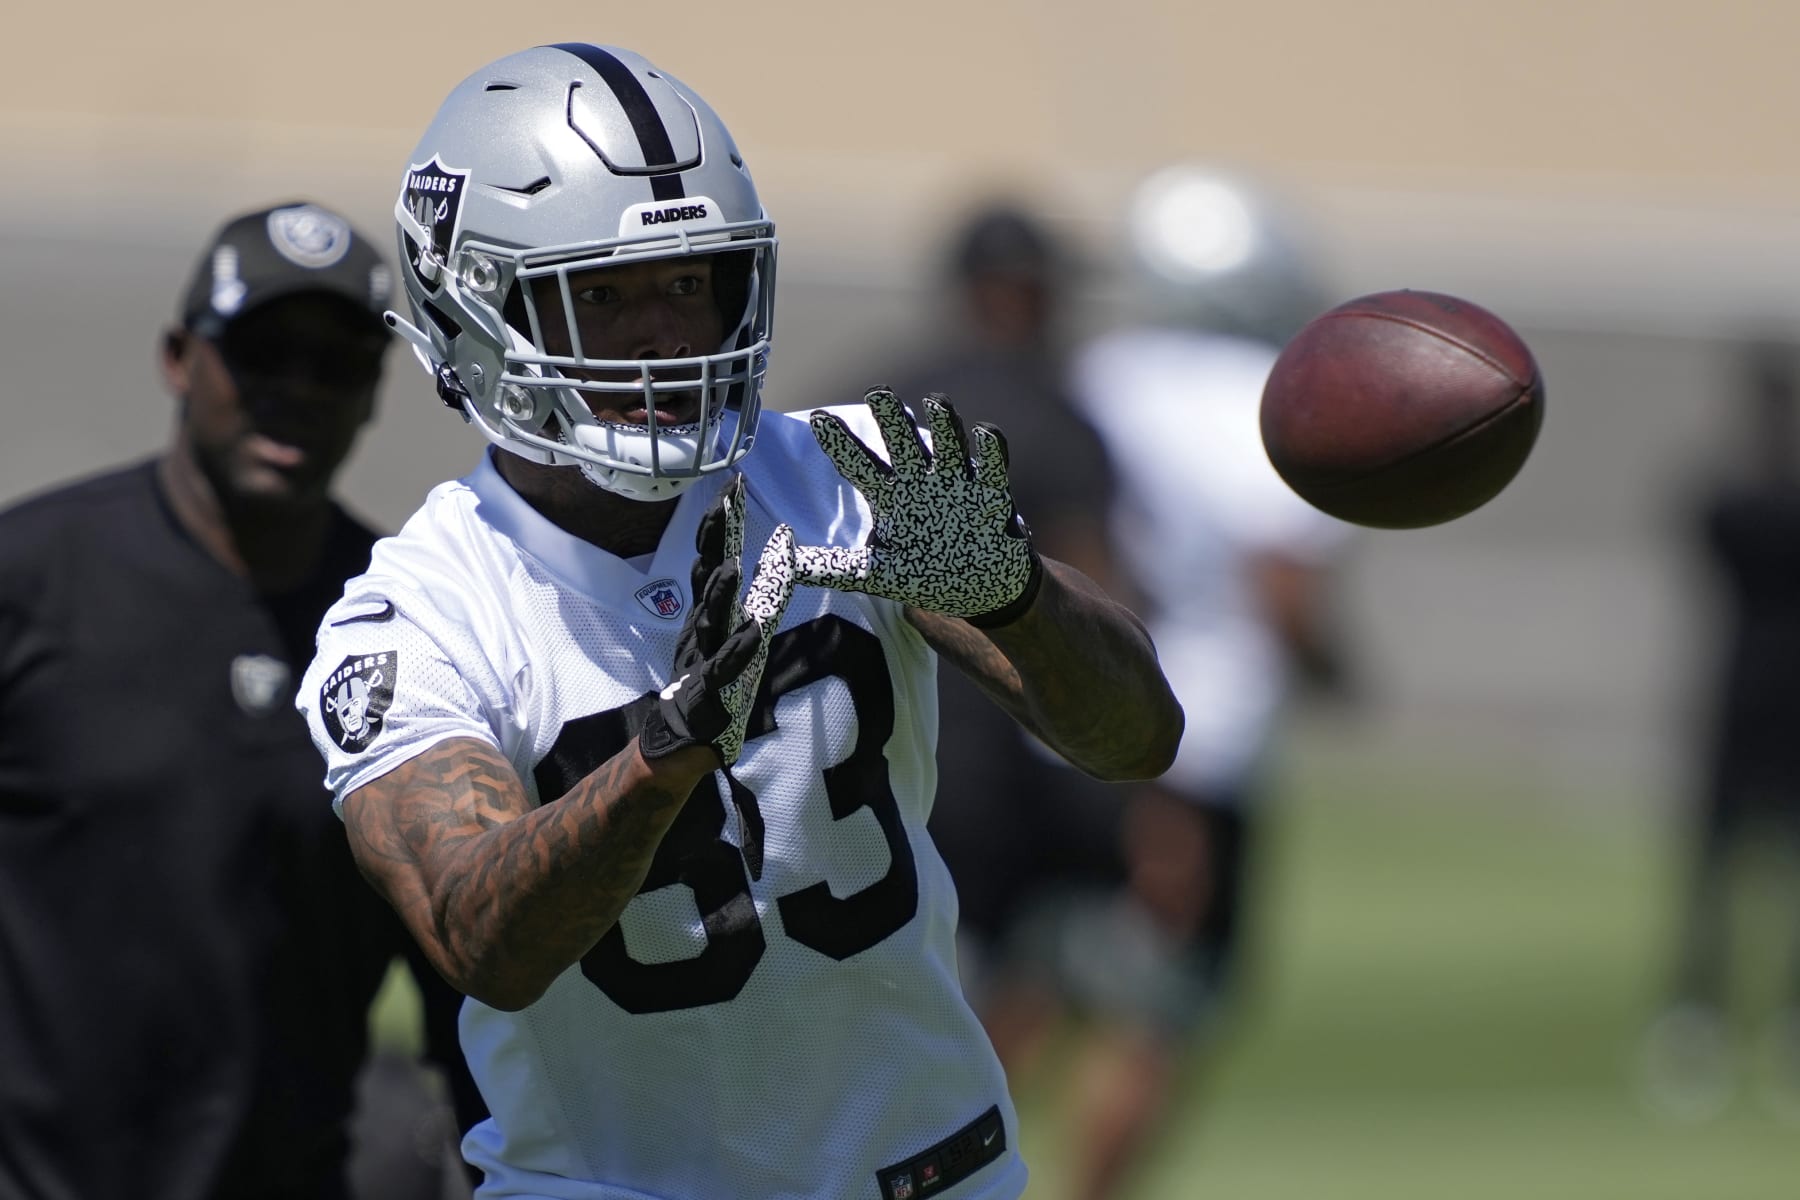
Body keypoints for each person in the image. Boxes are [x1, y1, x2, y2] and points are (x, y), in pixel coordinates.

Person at [296, 43, 1183, 1200]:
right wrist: (662, 758)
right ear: (477, 310)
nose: (665, 333)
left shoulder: (841, 475)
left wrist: (1017, 599)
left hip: (926, 1172)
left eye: (690, 281)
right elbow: (482, 941)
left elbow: (1135, 740)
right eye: (601, 296)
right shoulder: (416, 617)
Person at [0, 202, 475, 1199]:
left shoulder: (411, 633)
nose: (296, 390)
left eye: (335, 364)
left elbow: (465, 991)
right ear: (181, 359)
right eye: (262, 353)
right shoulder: (33, 580)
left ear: (374, 393)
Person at [1038, 165, 1350, 1199]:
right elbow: (1283, 587)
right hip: (1194, 752)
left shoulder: (1097, 375)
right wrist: (1337, 672)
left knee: (1026, 982)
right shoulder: (1273, 401)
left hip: (1059, 725)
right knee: (1161, 1013)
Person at [819, 203, 1127, 1046]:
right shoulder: (1057, 414)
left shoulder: (869, 393)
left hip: (851, 738)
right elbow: (1094, 587)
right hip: (999, 745)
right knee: (999, 977)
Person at [1640, 338, 1800, 1121]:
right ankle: (1696, 1018)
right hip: (1737, 701)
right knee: (1713, 874)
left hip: (1783, 708)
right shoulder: (1732, 500)